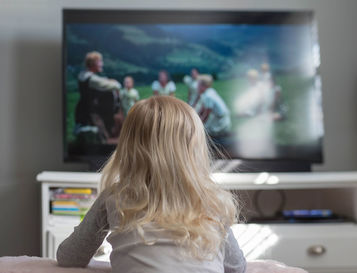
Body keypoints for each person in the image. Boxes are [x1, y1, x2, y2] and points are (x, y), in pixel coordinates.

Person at [57, 96, 246, 273]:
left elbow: (69, 257)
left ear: (128, 148)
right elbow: (236, 267)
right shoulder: (212, 201)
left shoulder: (115, 197)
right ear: (194, 149)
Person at [75, 51, 122, 142]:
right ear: (94, 63)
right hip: (91, 114)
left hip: (82, 111)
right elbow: (117, 86)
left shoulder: (83, 75)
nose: (102, 64)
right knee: (102, 138)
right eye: (100, 61)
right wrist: (112, 81)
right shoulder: (92, 79)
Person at [193, 74, 231, 139]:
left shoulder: (208, 96)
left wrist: (197, 125)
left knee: (204, 133)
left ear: (203, 86)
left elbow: (206, 114)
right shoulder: (210, 91)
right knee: (204, 129)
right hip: (220, 119)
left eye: (198, 85)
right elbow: (202, 110)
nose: (197, 87)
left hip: (220, 123)